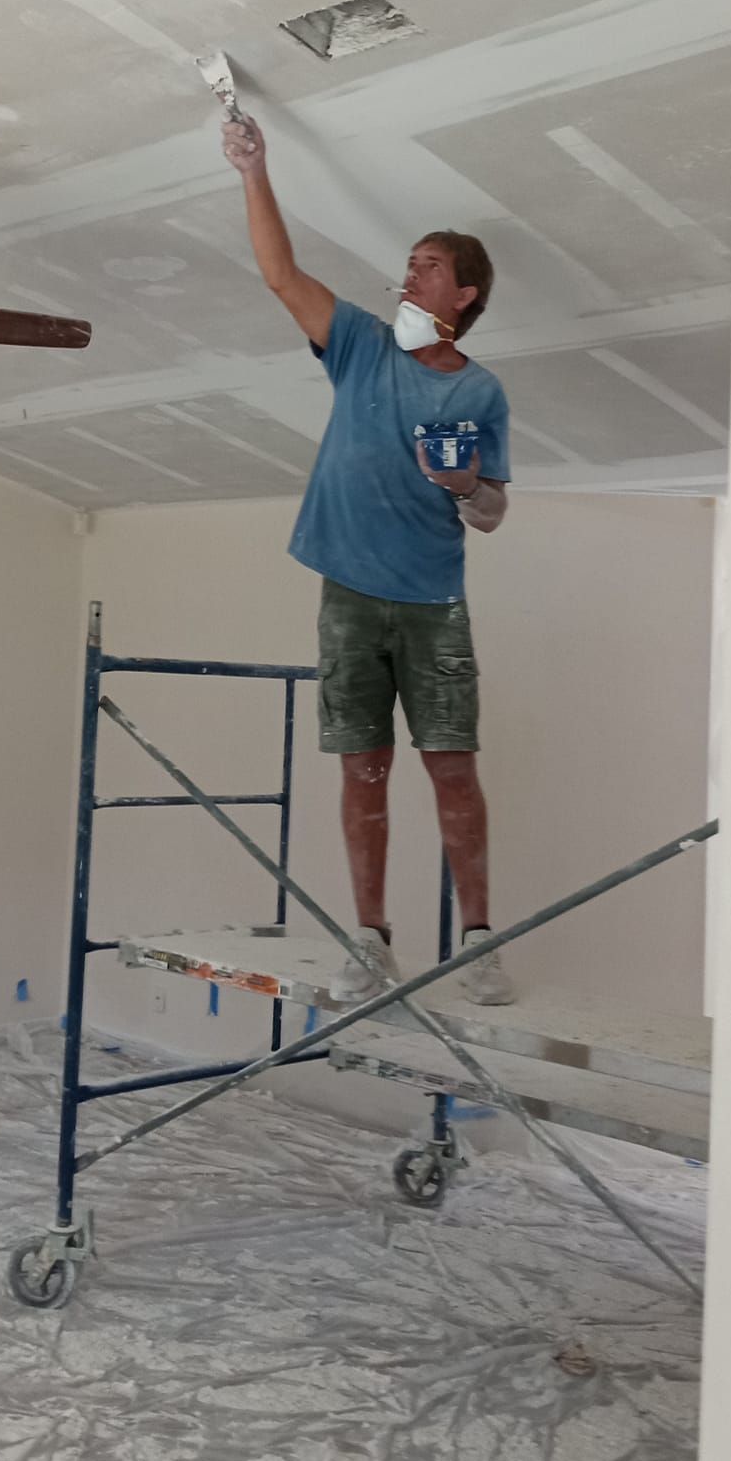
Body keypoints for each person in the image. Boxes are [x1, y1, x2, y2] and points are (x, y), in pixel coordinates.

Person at [223, 112, 515, 1006]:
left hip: (434, 604)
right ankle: (371, 938)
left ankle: (479, 944)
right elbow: (280, 274)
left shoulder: (477, 388)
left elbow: (496, 514)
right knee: (363, 767)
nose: (408, 273)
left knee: (453, 768)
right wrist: (253, 169)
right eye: (410, 263)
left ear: (464, 293)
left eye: (427, 265)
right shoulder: (357, 345)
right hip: (349, 595)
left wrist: (465, 483)